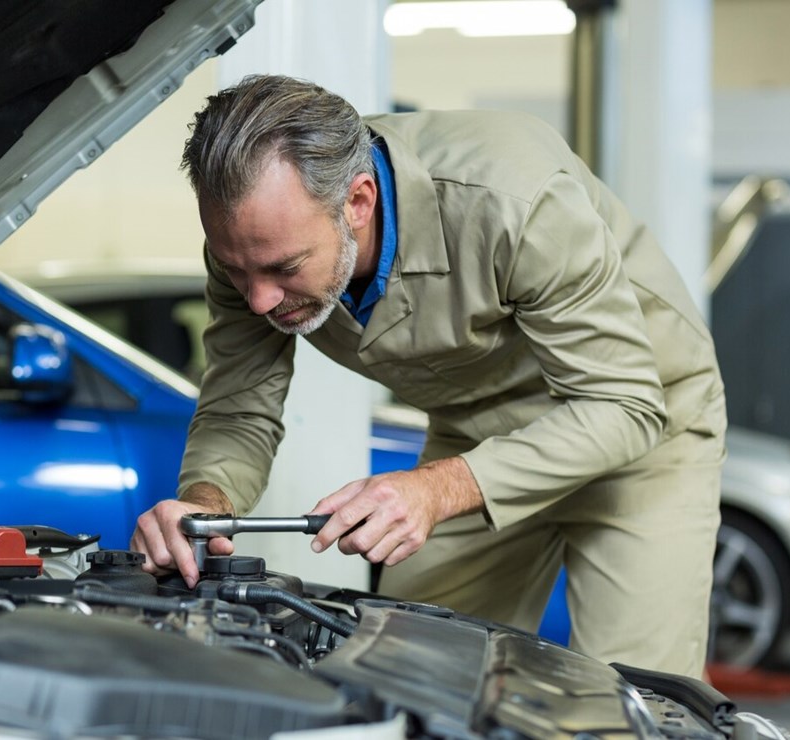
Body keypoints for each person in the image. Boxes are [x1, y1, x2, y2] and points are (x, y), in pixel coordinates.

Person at [130, 74, 725, 678]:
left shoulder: (513, 198)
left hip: (642, 428)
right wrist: (202, 505)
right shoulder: (252, 246)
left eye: (284, 268)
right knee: (405, 668)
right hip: (478, 432)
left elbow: (624, 404)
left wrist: (436, 489)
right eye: (236, 269)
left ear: (357, 203)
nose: (258, 300)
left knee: (628, 696)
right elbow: (238, 408)